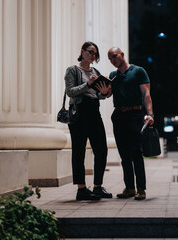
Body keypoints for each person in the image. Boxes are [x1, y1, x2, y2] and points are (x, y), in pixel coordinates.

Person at [65, 41, 112, 200]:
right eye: (90, 52)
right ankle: (81, 189)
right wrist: (88, 84)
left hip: (93, 110)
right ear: (82, 52)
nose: (93, 56)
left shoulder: (96, 71)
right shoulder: (73, 70)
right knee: (79, 151)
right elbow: (71, 91)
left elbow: (98, 94)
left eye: (95, 54)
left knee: (101, 149)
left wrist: (104, 93)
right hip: (79, 111)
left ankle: (98, 186)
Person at [106, 47, 154, 200]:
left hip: (135, 114)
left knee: (135, 152)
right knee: (124, 154)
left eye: (114, 56)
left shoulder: (138, 71)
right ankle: (129, 188)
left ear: (122, 55)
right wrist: (101, 87)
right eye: (110, 58)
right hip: (118, 115)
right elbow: (107, 94)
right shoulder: (113, 76)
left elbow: (146, 94)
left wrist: (150, 114)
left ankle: (141, 188)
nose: (113, 60)